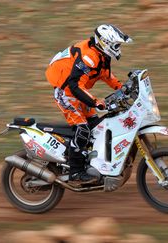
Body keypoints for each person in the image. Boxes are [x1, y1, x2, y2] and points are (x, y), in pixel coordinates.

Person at [45, 24, 132, 185]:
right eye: (116, 45)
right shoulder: (89, 57)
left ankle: (89, 161)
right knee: (83, 129)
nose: (118, 48)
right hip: (66, 93)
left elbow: (107, 76)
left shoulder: (102, 55)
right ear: (105, 42)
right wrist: (95, 102)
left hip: (78, 92)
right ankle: (76, 171)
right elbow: (74, 86)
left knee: (96, 126)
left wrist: (124, 88)